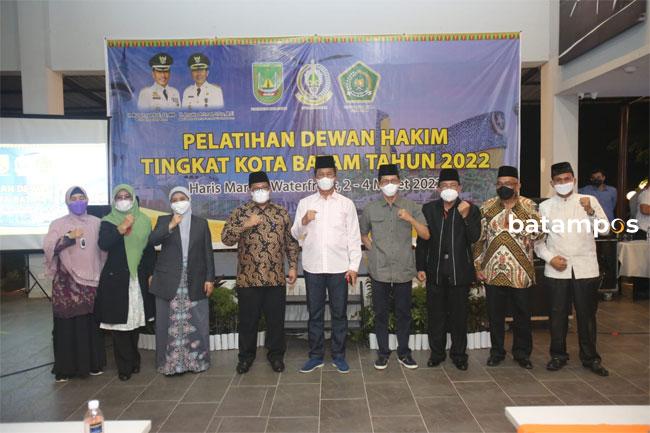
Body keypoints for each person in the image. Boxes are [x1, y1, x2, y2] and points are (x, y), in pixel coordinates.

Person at [535, 162, 610, 376]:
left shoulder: (589, 201)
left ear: (574, 180)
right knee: (557, 315)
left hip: (586, 267)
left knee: (587, 315)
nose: (563, 183)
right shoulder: (545, 207)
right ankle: (558, 355)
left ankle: (591, 358)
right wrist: (550, 259)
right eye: (558, 180)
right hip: (557, 269)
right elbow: (538, 241)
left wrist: (590, 211)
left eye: (567, 179)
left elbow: (605, 230)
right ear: (552, 183)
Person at [222, 172, 299, 374]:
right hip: (248, 279)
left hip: (275, 277)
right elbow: (226, 239)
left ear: (270, 189)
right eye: (256, 188)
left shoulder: (281, 213)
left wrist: (292, 266)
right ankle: (245, 358)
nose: (260, 191)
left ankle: (276, 356)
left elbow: (291, 243)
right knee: (248, 322)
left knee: (276, 322)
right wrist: (245, 225)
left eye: (264, 187)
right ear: (250, 191)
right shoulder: (240, 212)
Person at [291, 155, 362, 374]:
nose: (325, 178)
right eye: (321, 175)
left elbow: (354, 237)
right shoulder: (305, 203)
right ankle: (315, 356)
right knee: (315, 314)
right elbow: (295, 233)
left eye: (329, 174)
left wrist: (354, 266)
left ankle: (339, 356)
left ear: (335, 176)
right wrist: (304, 221)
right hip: (313, 268)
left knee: (339, 313)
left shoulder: (346, 204)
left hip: (340, 268)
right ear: (315, 178)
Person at [473, 165, 544, 369]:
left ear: (518, 185)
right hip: (492, 271)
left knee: (522, 316)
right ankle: (497, 352)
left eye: (509, 184)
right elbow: (479, 240)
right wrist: (477, 266)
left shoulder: (529, 206)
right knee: (495, 316)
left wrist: (516, 212)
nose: (504, 187)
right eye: (500, 184)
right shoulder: (487, 207)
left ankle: (522, 353)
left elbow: (539, 233)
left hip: (520, 272)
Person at [361, 164, 430, 370]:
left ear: (399, 182)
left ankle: (404, 353)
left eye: (393, 181)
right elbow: (363, 234)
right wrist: (373, 250)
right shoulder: (370, 209)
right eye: (385, 181)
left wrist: (410, 219)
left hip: (403, 270)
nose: (389, 184)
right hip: (379, 270)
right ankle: (383, 354)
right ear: (379, 184)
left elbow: (426, 234)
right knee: (380, 314)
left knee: (403, 314)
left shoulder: (411, 206)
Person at [416, 168, 481, 370]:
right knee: (436, 316)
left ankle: (459, 355)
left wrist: (466, 216)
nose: (449, 189)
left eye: (453, 185)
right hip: (435, 270)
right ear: (438, 188)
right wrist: (420, 266)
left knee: (459, 317)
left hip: (459, 272)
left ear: (459, 188)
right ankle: (437, 354)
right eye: (445, 186)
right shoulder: (429, 209)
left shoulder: (470, 208)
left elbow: (474, 237)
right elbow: (422, 241)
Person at [43, 186, 107, 382]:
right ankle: (65, 369)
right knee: (66, 326)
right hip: (66, 284)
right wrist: (69, 237)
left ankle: (92, 365)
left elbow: (103, 250)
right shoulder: (58, 224)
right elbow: (49, 248)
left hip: (91, 281)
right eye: (74, 198)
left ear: (87, 200)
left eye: (81, 197)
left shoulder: (97, 223)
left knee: (89, 324)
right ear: (67, 201)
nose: (78, 201)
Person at [149, 186, 215, 375]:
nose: (179, 202)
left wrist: (210, 278)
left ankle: (197, 361)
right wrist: (171, 225)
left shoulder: (201, 223)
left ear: (189, 200)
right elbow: (152, 241)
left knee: (197, 320)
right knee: (168, 322)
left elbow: (207, 252)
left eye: (182, 198)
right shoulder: (164, 220)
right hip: (169, 280)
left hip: (194, 279)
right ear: (170, 204)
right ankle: (170, 364)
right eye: (175, 200)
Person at [95, 184, 155, 381]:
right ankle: (124, 367)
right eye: (119, 197)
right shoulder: (108, 221)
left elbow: (148, 249)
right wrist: (120, 228)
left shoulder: (144, 220)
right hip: (116, 280)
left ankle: (135, 360)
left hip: (137, 278)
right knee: (120, 326)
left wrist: (151, 273)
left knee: (134, 323)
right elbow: (104, 244)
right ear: (114, 200)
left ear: (133, 198)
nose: (123, 200)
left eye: (126, 196)